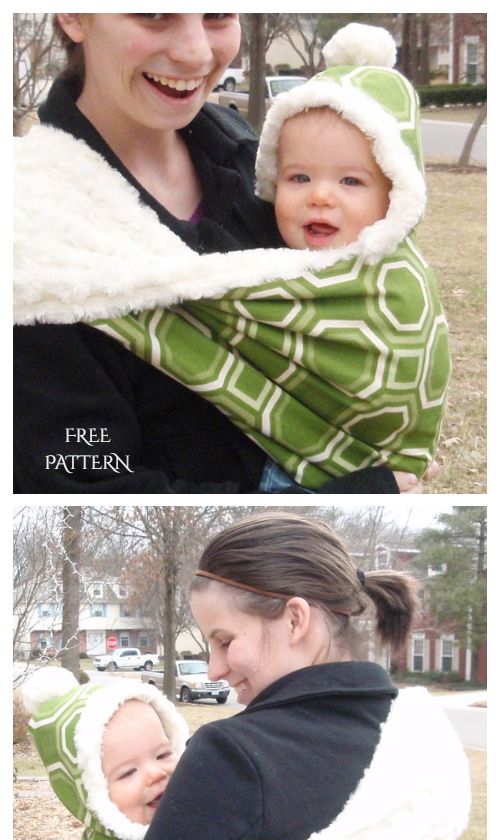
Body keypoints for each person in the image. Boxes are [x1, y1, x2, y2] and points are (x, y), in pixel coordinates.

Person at [14, 14, 423, 496]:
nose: (196, 52)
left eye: (216, 15)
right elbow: (79, 482)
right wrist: (349, 499)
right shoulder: (29, 230)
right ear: (74, 16)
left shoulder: (264, 156)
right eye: (154, 13)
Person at [60, 512, 470, 840]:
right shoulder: (423, 736)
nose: (214, 669)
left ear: (295, 618)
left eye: (225, 640)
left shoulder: (232, 758)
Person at [21, 666, 188, 840]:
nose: (156, 773)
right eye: (127, 773)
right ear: (89, 791)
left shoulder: (201, 813)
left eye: (162, 754)